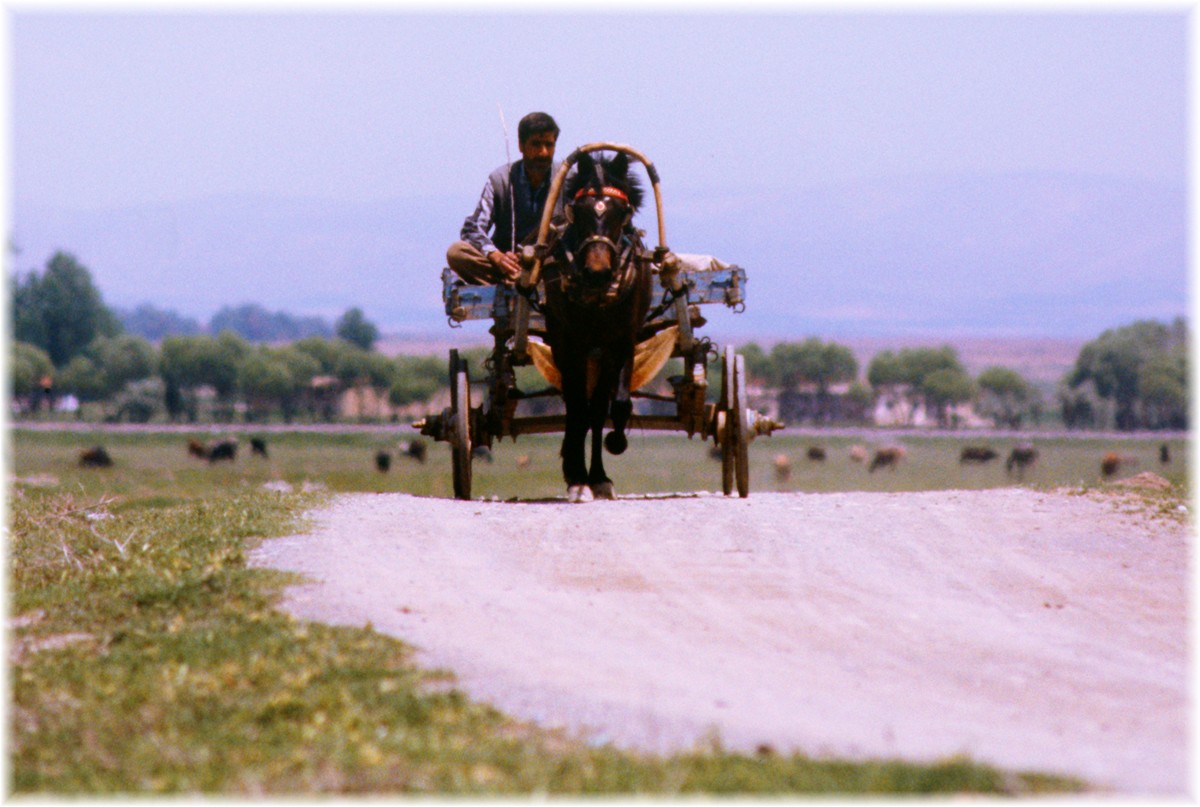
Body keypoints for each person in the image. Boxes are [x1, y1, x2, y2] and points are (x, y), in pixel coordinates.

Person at [447, 111, 564, 285]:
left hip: (552, 270)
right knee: (456, 252)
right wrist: (497, 256)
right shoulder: (501, 180)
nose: (543, 152)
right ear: (521, 146)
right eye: (536, 144)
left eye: (549, 145)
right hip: (508, 269)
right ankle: (511, 282)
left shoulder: (567, 177)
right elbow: (472, 229)